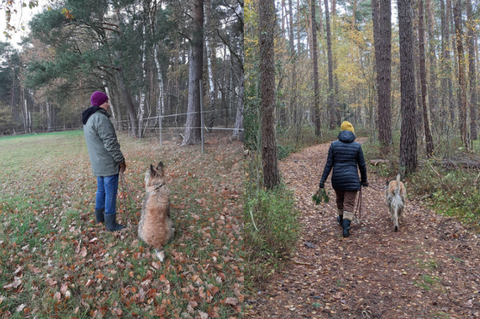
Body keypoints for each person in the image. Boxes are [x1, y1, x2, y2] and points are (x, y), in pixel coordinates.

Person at [82, 91, 126, 232]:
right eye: (106, 101)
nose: (108, 104)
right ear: (101, 103)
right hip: (107, 163)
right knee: (110, 193)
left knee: (101, 191)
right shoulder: (101, 118)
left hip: (98, 163)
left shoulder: (89, 120)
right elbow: (110, 144)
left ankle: (100, 218)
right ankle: (111, 224)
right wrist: (121, 160)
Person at [318, 121, 368, 238]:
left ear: (341, 131)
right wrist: (364, 180)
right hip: (352, 180)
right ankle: (345, 229)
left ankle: (341, 221)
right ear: (352, 132)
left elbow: (328, 164)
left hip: (338, 179)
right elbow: (362, 165)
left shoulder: (334, 145)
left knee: (340, 200)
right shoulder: (357, 146)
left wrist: (322, 181)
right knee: (349, 203)